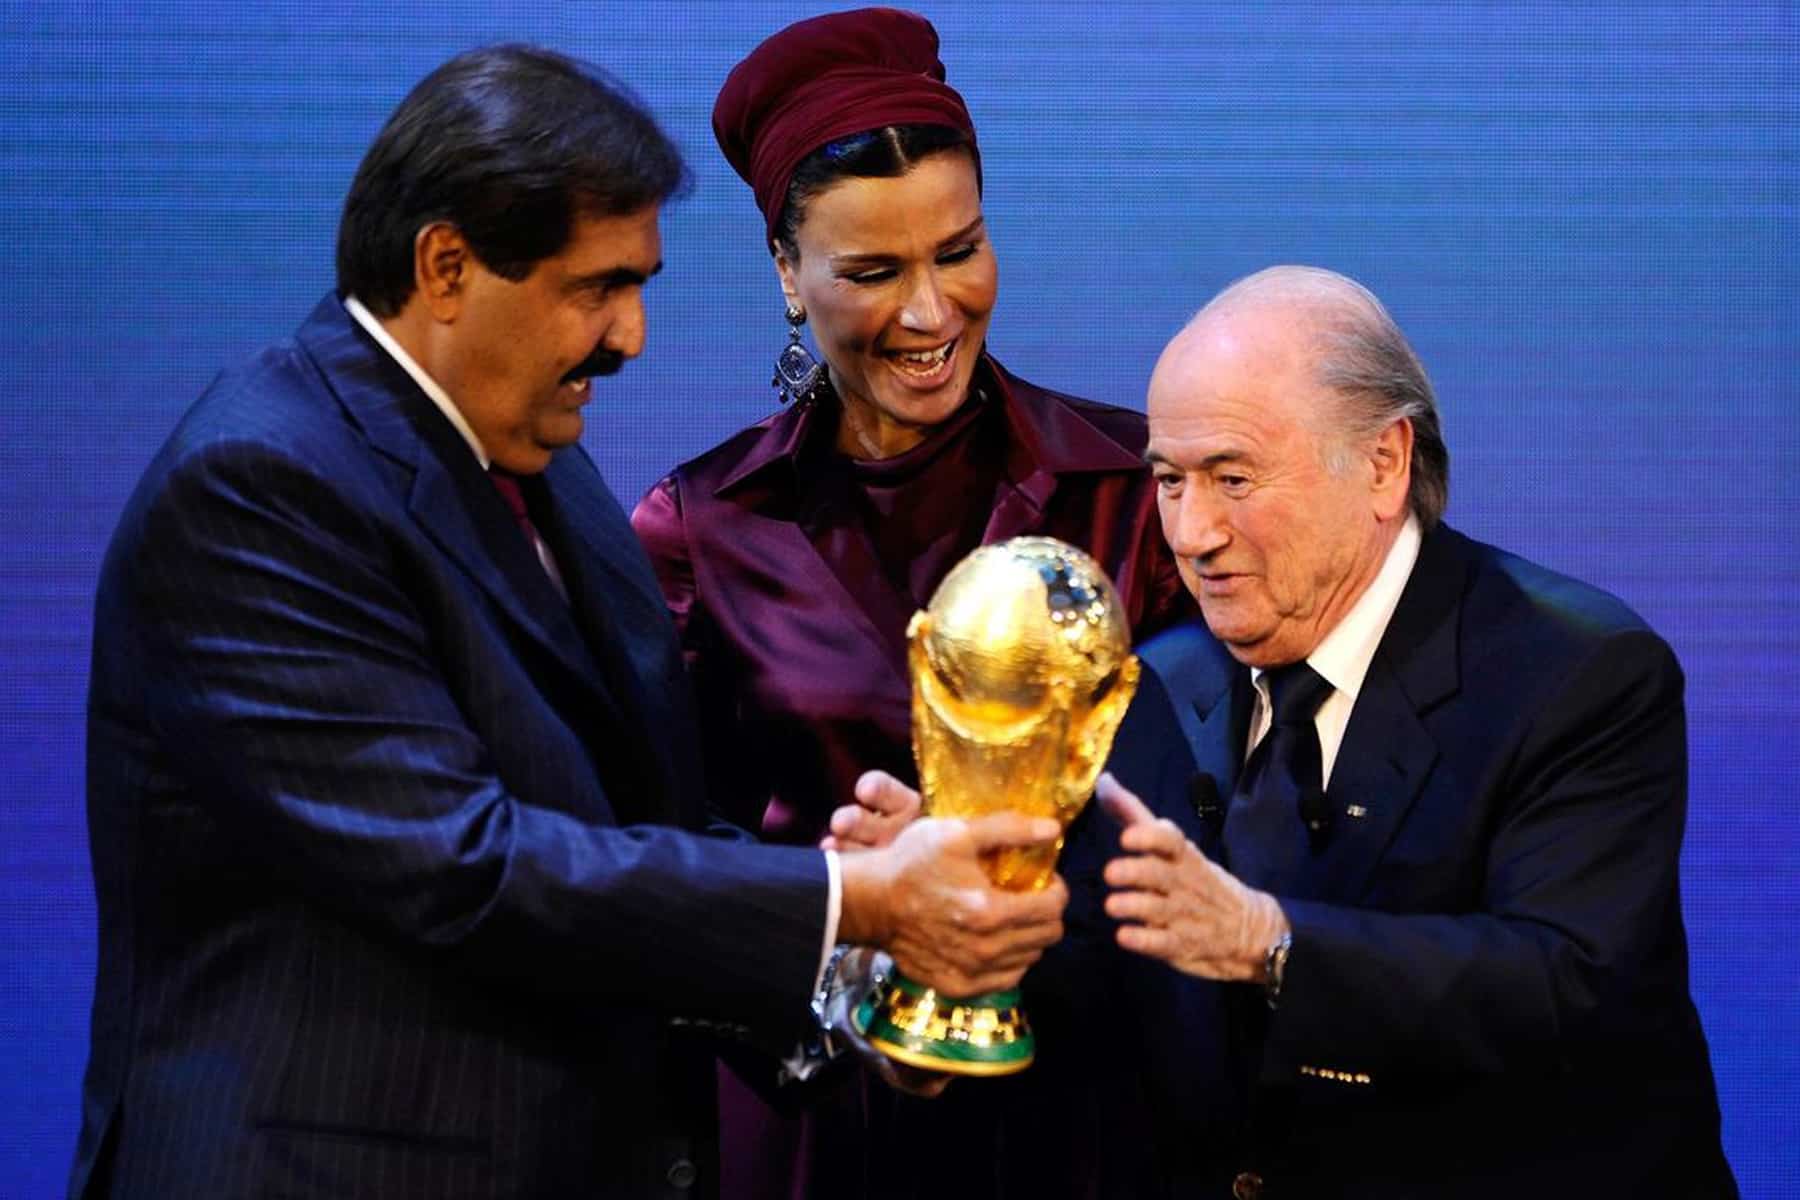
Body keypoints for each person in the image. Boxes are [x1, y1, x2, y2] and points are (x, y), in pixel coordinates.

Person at [69, 45, 1070, 1200]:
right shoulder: (260, 487)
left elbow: (633, 821)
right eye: (597, 288)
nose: (631, 335)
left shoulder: (553, 469)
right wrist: (859, 902)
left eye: (640, 286)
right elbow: (467, 866)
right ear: (446, 267)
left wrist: (862, 976)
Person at [629, 11, 1191, 1194]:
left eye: (960, 251)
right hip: (816, 1120)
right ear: (788, 274)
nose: (932, 313)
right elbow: (656, 855)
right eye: (874, 273)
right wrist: (861, 919)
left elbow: (1206, 813)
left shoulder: (1134, 491)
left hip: (1084, 1109)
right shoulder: (697, 531)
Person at [1089, 264, 1738, 1196]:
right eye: (1170, 481)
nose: (1192, 533)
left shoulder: (1576, 674)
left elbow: (1565, 983)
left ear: (1383, 464)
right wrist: (961, 907)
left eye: (1233, 478)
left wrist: (1269, 943)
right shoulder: (1159, 682)